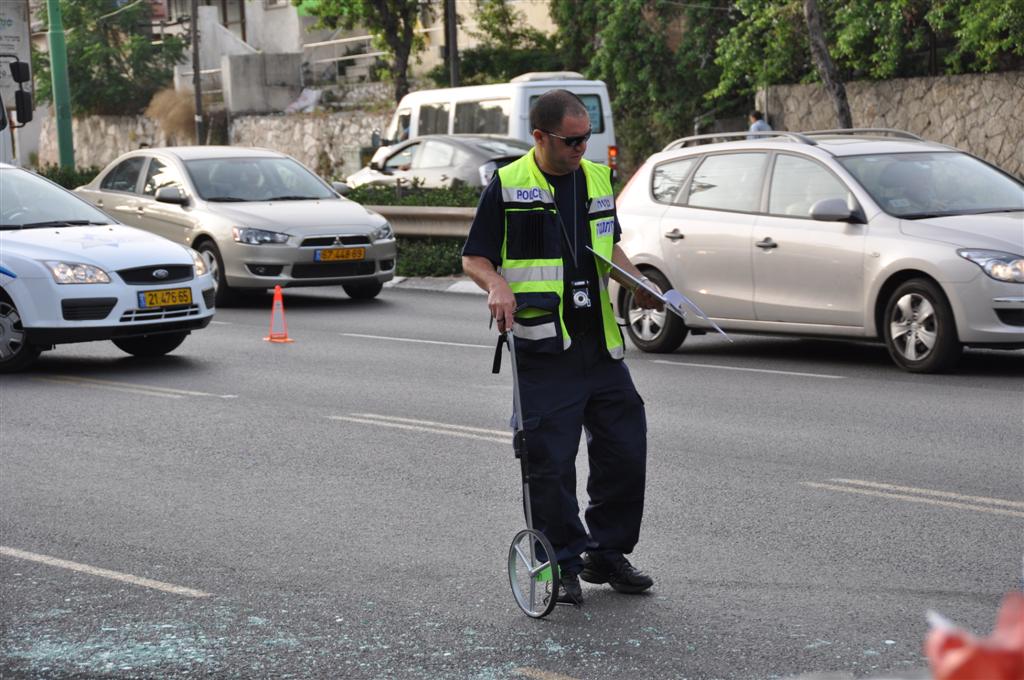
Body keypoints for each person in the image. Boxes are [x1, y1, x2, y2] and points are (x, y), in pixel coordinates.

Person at [462, 89, 660, 606]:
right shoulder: (508, 184)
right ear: (540, 137)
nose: (580, 149)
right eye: (571, 141)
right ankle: (563, 562)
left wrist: (639, 282)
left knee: (626, 450)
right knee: (549, 463)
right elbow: (475, 257)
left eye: (586, 138)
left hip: (599, 345)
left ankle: (606, 553)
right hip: (545, 349)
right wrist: (496, 285)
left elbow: (609, 246)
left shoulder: (596, 178)